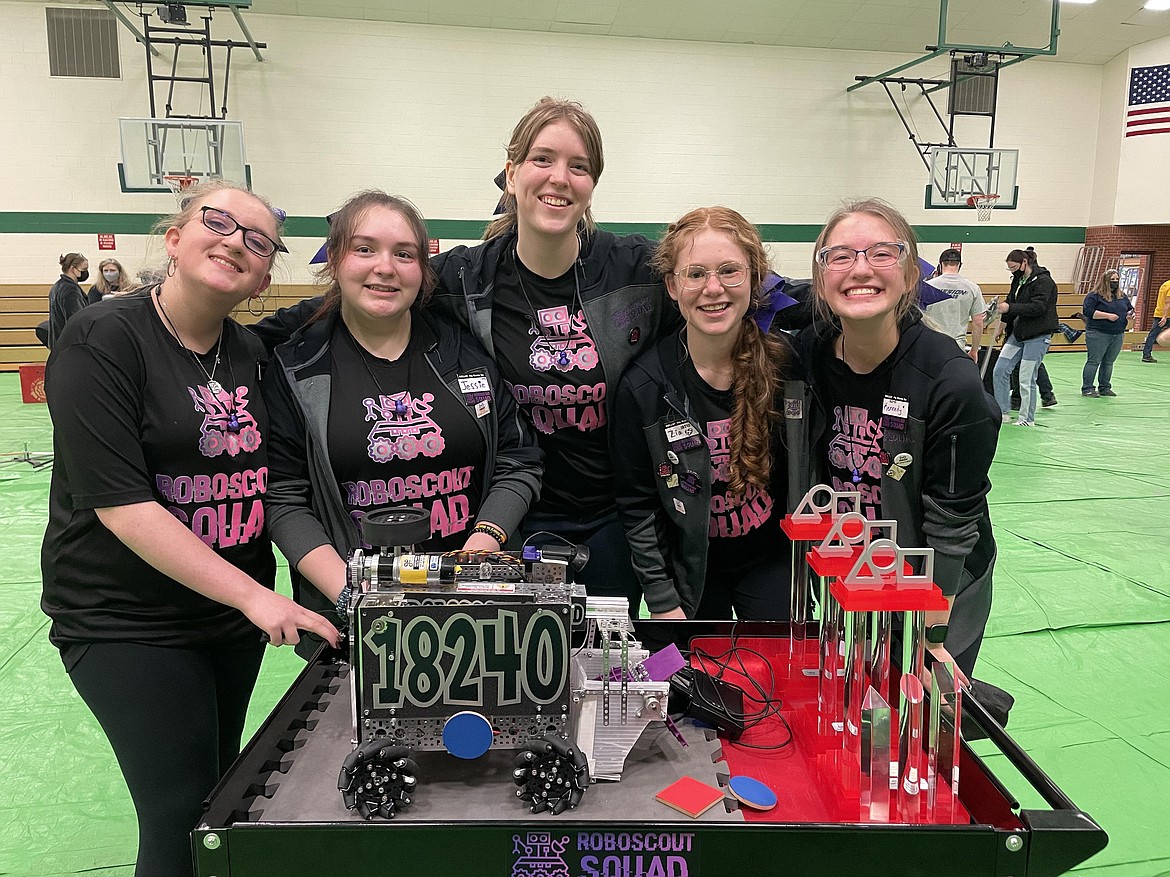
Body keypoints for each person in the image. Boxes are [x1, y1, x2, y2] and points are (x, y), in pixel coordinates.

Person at [40, 180, 339, 877]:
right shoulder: (103, 338)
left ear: (263, 274)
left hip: (227, 622)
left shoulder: (253, 353)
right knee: (180, 815)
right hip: (125, 620)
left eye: (257, 239)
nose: (235, 239)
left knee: (218, 802)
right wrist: (257, 597)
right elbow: (122, 505)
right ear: (175, 237)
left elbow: (339, 297)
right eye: (218, 221)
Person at [263, 191, 543, 650]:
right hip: (354, 620)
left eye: (404, 254)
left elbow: (519, 460)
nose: (385, 267)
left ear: (422, 270)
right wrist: (353, 596)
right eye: (365, 248)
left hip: (474, 606)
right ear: (334, 259)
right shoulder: (297, 367)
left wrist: (479, 551)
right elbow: (283, 497)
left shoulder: (465, 353)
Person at [427, 97, 676, 612]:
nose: (559, 177)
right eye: (543, 159)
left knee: (611, 669)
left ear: (591, 185)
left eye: (578, 166)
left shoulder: (635, 268)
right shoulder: (464, 278)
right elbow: (360, 295)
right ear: (511, 173)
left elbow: (736, 283)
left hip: (613, 518)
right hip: (511, 517)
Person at [797, 198, 999, 679]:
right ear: (822, 279)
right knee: (864, 700)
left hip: (942, 578)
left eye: (882, 253)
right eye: (841, 256)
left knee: (924, 712)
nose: (860, 268)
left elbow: (953, 521)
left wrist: (933, 634)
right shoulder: (810, 355)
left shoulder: (949, 379)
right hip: (864, 567)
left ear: (911, 276)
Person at [612, 207, 797, 620]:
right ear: (673, 287)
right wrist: (660, 600)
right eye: (696, 274)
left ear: (753, 279)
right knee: (684, 679)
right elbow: (637, 504)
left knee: (774, 676)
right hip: (690, 573)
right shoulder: (644, 387)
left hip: (770, 564)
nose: (713, 288)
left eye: (729, 270)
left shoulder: (788, 367)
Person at [992, 246, 1058, 426]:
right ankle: (1003, 412)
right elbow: (1011, 301)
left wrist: (1010, 308)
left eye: (1013, 267)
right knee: (999, 371)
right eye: (1010, 269)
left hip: (1038, 335)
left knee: (1026, 377)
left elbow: (1039, 307)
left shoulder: (1044, 281)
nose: (1012, 271)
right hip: (1018, 334)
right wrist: (1001, 326)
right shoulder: (1018, 279)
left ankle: (1026, 418)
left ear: (1024, 263)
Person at [924, 247, 986, 361]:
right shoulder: (972, 288)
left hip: (930, 345)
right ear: (959, 265)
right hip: (957, 347)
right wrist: (974, 350)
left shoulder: (927, 286)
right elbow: (978, 322)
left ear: (941, 264)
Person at [1081, 268, 1134, 397]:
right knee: (1094, 361)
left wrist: (1130, 314)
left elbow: (1130, 308)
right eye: (1112, 280)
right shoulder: (1094, 296)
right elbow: (1088, 312)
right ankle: (1088, 388)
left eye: (1117, 280)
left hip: (1118, 333)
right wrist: (1107, 316)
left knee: (1109, 362)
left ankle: (1105, 387)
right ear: (1105, 281)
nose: (1115, 282)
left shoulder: (1122, 296)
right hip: (1098, 332)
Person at [46, 252, 89, 348]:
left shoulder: (57, 286)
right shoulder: (71, 290)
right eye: (84, 269)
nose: (86, 272)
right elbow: (76, 321)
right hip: (69, 345)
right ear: (73, 269)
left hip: (58, 342)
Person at [1141, 276, 1169, 363]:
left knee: (1152, 334)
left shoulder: (1166, 284)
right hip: (1166, 315)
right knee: (1153, 334)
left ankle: (1146, 355)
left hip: (1158, 313)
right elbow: (1168, 302)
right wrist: (1164, 316)